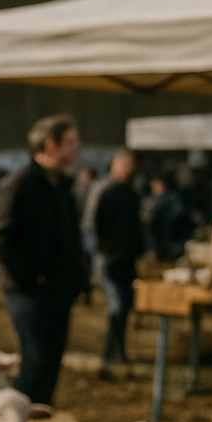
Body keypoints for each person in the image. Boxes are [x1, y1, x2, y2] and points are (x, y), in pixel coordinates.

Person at [0, 114, 89, 406]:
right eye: (70, 142)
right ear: (50, 146)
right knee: (35, 359)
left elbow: (70, 239)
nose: (77, 148)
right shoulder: (19, 185)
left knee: (50, 362)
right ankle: (19, 417)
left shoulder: (62, 187)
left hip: (59, 291)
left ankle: (39, 417)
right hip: (29, 292)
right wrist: (31, 276)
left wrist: (78, 279)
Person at [89, 149, 146, 367]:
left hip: (126, 259)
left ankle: (115, 353)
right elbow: (93, 223)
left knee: (123, 307)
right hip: (109, 259)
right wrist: (102, 250)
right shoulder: (105, 191)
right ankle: (111, 355)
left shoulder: (132, 194)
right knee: (118, 306)